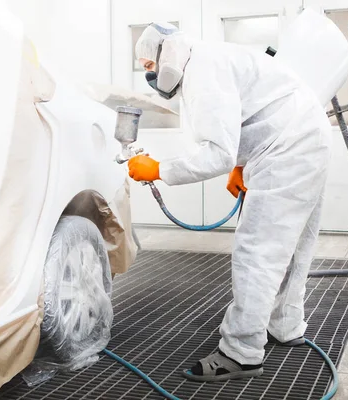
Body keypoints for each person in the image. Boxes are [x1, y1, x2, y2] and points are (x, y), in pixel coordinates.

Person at [128, 22, 332, 382]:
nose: (151, 76)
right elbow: (245, 113)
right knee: (295, 245)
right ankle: (285, 325)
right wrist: (240, 165)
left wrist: (158, 168)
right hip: (307, 136)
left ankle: (241, 352)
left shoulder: (201, 71)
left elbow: (217, 152)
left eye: (149, 66)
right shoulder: (209, 58)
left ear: (167, 55)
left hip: (287, 147)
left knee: (258, 250)